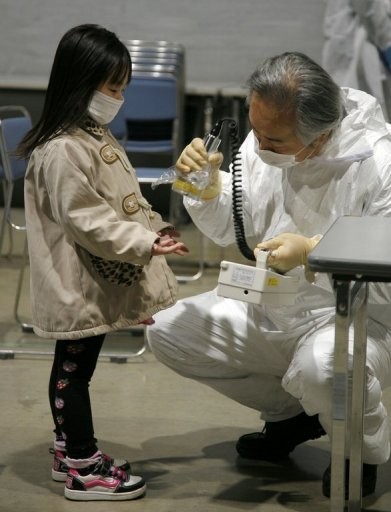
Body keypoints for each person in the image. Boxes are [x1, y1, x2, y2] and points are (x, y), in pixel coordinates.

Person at [146, 51, 391, 498]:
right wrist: (203, 185)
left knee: (325, 368)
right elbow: (227, 225)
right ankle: (290, 418)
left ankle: (359, 453)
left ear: (320, 137)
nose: (259, 149)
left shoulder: (378, 164)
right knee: (166, 331)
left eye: (272, 141)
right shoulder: (268, 139)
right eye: (254, 133)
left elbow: (386, 284)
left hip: (355, 317)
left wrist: (316, 254)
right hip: (273, 303)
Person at [17, 24, 188, 502]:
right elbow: (88, 220)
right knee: (74, 370)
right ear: (80, 81)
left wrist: (154, 230)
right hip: (77, 281)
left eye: (123, 88)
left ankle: (67, 449)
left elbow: (121, 200)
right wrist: (144, 243)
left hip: (93, 274)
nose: (118, 97)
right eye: (112, 87)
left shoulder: (90, 135)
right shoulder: (63, 148)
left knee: (75, 366)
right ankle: (82, 466)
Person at [322, 0, 391, 120]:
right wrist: (386, 42)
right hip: (359, 40)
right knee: (364, 102)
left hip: (340, 37)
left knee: (340, 99)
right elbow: (371, 12)